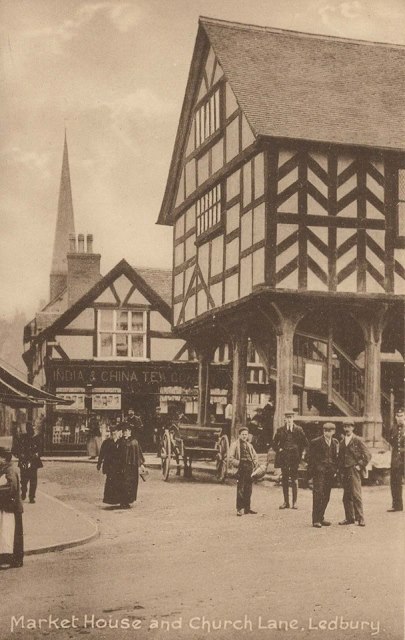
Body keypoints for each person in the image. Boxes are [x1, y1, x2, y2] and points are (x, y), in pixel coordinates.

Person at [272, 410, 308, 509]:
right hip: (284, 457)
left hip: (294, 458)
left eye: (290, 417)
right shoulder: (280, 430)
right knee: (284, 479)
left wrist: (303, 453)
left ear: (293, 418)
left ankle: (294, 502)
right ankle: (286, 502)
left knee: (294, 478)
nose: (289, 419)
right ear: (285, 419)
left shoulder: (299, 429)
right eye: (287, 418)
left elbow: (305, 443)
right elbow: (274, 443)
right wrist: (279, 449)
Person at [338, 421, 371, 526]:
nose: (347, 429)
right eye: (345, 427)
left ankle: (361, 518)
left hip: (353, 470)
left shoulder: (357, 440)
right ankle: (349, 518)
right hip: (345, 471)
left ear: (353, 428)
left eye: (349, 426)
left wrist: (360, 465)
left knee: (356, 494)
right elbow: (340, 457)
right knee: (346, 496)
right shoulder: (342, 442)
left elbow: (367, 455)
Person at [307, 422, 339, 528]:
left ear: (333, 432)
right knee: (318, 494)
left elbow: (335, 458)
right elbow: (309, 457)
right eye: (325, 430)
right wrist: (316, 467)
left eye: (329, 431)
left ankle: (321, 517)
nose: (327, 433)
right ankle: (315, 520)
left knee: (326, 495)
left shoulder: (335, 443)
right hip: (319, 473)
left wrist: (334, 469)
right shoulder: (315, 442)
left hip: (330, 473)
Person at [0, 447, 24, 568]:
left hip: (13, 507)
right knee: (9, 533)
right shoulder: (4, 469)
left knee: (15, 534)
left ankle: (16, 559)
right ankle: (13, 559)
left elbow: (11, 488)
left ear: (4, 458)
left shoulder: (10, 470)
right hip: (9, 506)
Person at [229, 426, 258, 516]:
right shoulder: (235, 445)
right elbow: (230, 458)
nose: (244, 436)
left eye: (246, 434)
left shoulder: (249, 445)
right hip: (241, 468)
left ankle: (247, 508)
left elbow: (255, 456)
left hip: (249, 468)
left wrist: (255, 463)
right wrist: (238, 463)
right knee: (240, 488)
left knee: (249, 489)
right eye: (243, 434)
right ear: (239, 435)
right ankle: (239, 509)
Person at [12, 422, 43, 504]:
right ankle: (25, 493)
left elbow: (41, 449)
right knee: (25, 480)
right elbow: (15, 449)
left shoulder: (36, 438)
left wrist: (37, 454)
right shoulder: (22, 438)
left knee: (31, 480)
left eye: (31, 428)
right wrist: (20, 455)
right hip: (24, 461)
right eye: (29, 428)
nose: (30, 430)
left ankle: (31, 496)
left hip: (33, 461)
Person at [118, 423, 145, 509]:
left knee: (131, 484)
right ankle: (123, 501)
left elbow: (138, 453)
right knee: (123, 483)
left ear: (130, 432)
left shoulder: (134, 442)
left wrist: (141, 464)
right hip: (123, 466)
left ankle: (128, 500)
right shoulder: (121, 441)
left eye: (127, 431)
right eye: (124, 431)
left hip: (132, 467)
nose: (125, 433)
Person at [97, 425, 122, 506]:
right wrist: (99, 463)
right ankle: (109, 499)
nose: (114, 434)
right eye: (112, 432)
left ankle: (117, 499)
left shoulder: (121, 442)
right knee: (110, 482)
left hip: (118, 466)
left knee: (118, 482)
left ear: (118, 433)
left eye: (115, 432)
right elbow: (102, 454)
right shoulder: (106, 442)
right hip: (110, 466)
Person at [387, 407, 404, 512]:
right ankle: (397, 505)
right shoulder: (393, 428)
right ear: (395, 417)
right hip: (396, 460)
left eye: (401, 416)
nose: (399, 418)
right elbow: (391, 441)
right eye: (397, 416)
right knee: (395, 482)